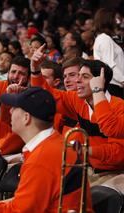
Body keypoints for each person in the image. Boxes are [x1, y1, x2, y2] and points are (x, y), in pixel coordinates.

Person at [0, 86, 94, 213]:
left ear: (26, 118)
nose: (10, 112)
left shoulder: (42, 157)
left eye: (15, 108)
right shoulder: (54, 144)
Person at [31, 44, 124, 186]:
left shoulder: (119, 107)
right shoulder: (78, 101)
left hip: (114, 173)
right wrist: (35, 69)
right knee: (44, 184)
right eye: (78, 75)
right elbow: (46, 96)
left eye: (84, 77)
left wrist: (88, 151)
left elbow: (119, 153)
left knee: (69, 197)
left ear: (100, 81)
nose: (77, 80)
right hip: (89, 168)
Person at [93, 8, 124, 99]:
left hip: (113, 83)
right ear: (108, 20)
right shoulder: (105, 38)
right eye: (114, 18)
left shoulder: (101, 38)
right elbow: (109, 64)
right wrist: (123, 80)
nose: (116, 21)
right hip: (113, 85)